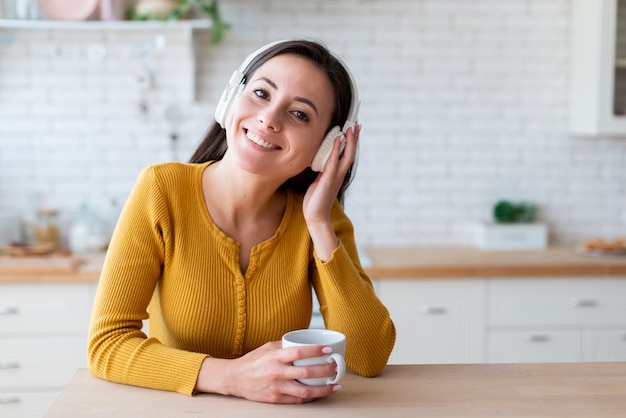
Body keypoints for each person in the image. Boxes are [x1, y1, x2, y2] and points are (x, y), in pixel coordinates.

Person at [87, 38, 396, 404]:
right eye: (262, 93)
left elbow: (368, 356)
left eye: (300, 114)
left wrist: (318, 223)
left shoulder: (320, 218)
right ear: (231, 98)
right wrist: (231, 377)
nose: (269, 118)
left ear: (327, 147)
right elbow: (107, 345)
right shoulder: (161, 190)